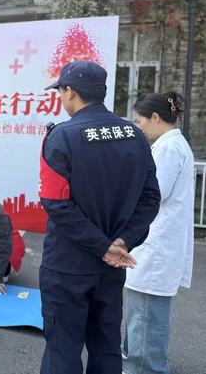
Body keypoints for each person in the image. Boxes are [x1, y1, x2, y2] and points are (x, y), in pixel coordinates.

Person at [38, 60, 161, 374]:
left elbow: (55, 204)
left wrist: (102, 246)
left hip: (68, 265)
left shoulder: (62, 136)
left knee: (63, 349)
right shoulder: (135, 134)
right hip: (112, 266)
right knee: (106, 347)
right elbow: (150, 198)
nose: (61, 97)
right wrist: (122, 242)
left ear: (70, 91)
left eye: (60, 91)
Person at [122, 92, 194, 374]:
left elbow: (154, 192)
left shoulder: (168, 149)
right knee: (143, 313)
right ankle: (137, 364)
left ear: (155, 117)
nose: (138, 127)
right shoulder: (172, 145)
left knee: (145, 314)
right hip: (159, 241)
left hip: (157, 244)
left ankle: (144, 369)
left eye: (139, 121)